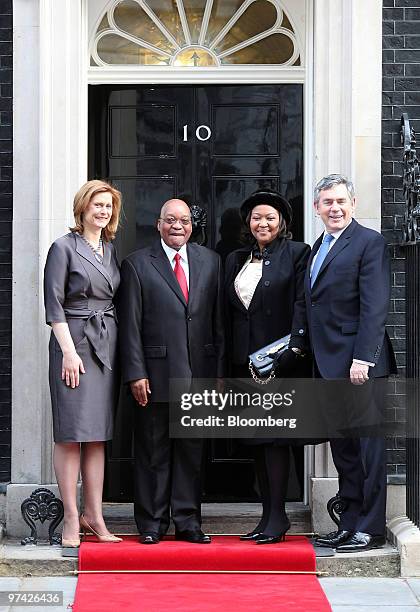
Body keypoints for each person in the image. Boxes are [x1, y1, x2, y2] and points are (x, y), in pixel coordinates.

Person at [297, 174, 396, 552]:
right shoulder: (319, 244)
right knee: (345, 451)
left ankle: (369, 529)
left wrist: (362, 359)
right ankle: (349, 522)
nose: (334, 208)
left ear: (353, 204)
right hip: (328, 366)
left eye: (340, 201)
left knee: (369, 450)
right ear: (317, 208)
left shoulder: (370, 243)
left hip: (359, 367)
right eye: (327, 202)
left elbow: (375, 307)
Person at [118, 198, 224, 544]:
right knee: (153, 454)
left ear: (192, 225)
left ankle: (188, 521)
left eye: (184, 220)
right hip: (154, 375)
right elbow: (130, 326)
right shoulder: (136, 264)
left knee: (191, 454)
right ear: (158, 224)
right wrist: (136, 373)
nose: (178, 226)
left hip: (199, 375)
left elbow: (217, 323)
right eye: (170, 220)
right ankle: (151, 523)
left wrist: (219, 374)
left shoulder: (211, 262)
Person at [224, 188, 311, 544]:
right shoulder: (234, 259)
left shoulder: (297, 253)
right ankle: (266, 516)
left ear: (283, 223)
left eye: (270, 217)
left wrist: (296, 347)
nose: (263, 223)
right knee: (257, 440)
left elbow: (303, 303)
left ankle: (278, 517)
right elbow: (226, 311)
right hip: (245, 362)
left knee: (275, 440)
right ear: (248, 223)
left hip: (280, 363)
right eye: (257, 217)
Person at [44, 180, 123, 548]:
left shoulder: (109, 249)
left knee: (96, 434)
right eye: (97, 205)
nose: (103, 211)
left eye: (108, 206)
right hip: (72, 343)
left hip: (104, 344)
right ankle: (72, 518)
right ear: (83, 208)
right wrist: (69, 352)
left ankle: (95, 514)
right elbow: (54, 304)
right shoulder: (63, 247)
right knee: (70, 432)